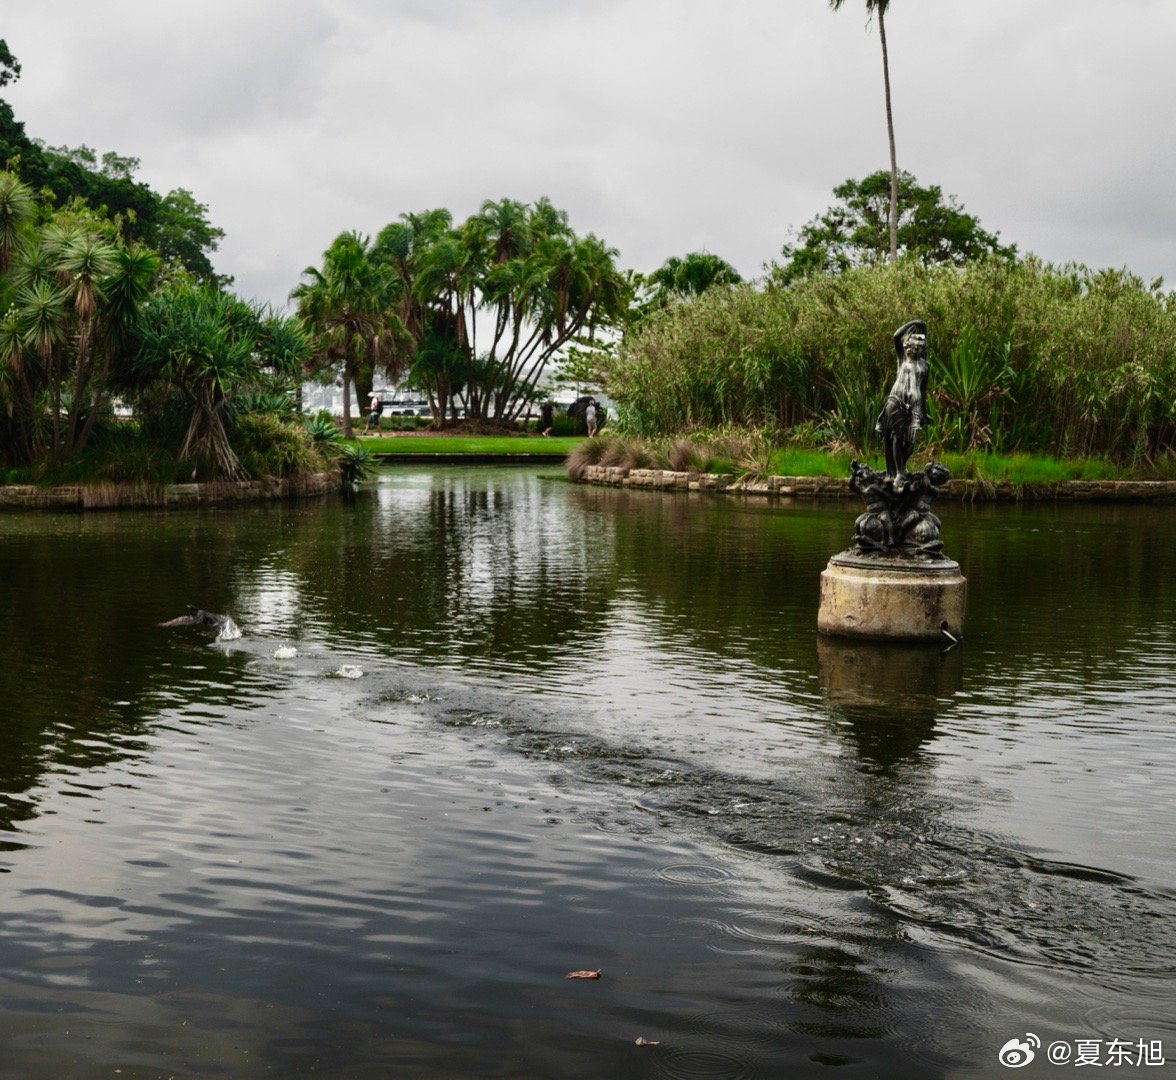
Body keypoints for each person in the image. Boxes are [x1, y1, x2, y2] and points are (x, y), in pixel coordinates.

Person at [876, 320, 929, 489]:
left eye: (919, 347)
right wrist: (915, 323)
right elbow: (896, 336)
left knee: (911, 440)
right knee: (897, 437)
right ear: (907, 346)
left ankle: (901, 467)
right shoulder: (902, 359)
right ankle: (899, 472)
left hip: (914, 408)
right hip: (896, 402)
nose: (915, 350)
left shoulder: (924, 365)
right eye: (913, 346)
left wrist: (924, 411)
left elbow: (924, 389)